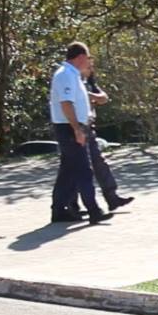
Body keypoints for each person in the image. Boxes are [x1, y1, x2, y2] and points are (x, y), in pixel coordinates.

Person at [49, 42, 108, 225]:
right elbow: (66, 104)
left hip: (73, 125)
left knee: (67, 171)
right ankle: (93, 210)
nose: (88, 62)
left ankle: (58, 211)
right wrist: (77, 129)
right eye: (88, 58)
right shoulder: (65, 75)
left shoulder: (74, 75)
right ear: (80, 57)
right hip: (69, 127)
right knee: (84, 170)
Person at [65, 58, 133, 214]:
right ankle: (71, 204)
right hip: (75, 127)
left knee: (99, 163)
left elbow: (103, 97)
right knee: (77, 167)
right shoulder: (72, 79)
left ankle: (112, 197)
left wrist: (90, 95)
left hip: (89, 126)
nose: (91, 69)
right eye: (89, 66)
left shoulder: (88, 82)